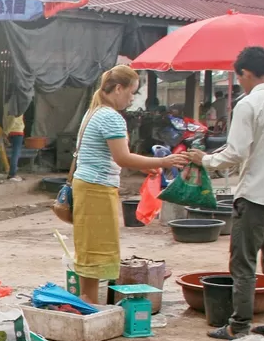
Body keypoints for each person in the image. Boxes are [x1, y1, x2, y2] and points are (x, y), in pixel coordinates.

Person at [187, 47, 264, 341]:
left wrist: (205, 160)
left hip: (254, 197)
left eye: (239, 77)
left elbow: (236, 153)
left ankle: (238, 325)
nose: (240, 82)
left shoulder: (249, 104)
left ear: (244, 73)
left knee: (243, 264)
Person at [72, 65, 188, 304]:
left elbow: (112, 155)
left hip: (87, 185)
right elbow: (122, 158)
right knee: (96, 250)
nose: (132, 98)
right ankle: (89, 305)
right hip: (96, 188)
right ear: (118, 88)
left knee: (90, 249)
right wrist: (163, 161)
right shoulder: (110, 116)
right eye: (131, 92)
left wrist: (144, 165)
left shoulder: (94, 112)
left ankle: (87, 302)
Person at [3, 87, 25, 182]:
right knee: (16, 153)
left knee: (13, 153)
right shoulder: (17, 106)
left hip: (10, 132)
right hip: (17, 131)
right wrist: (6, 131)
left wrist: (6, 131)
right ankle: (12, 174)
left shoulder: (6, 105)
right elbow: (13, 120)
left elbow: (4, 119)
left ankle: (12, 173)